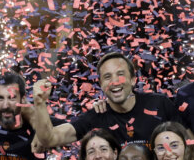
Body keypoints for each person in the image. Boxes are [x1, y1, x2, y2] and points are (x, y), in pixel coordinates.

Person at [27, 53, 178, 150]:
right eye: (107, 77)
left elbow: (188, 144)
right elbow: (49, 139)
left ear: (133, 80)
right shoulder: (97, 116)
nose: (114, 82)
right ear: (101, 85)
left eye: (120, 74)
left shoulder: (159, 105)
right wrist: (39, 103)